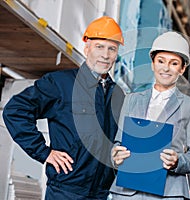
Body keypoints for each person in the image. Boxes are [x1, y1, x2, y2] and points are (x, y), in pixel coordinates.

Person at [2, 16, 125, 200]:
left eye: (112, 49)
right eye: (99, 46)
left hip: (100, 193)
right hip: (65, 192)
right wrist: (44, 152)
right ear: (87, 47)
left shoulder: (118, 94)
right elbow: (15, 110)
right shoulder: (61, 84)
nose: (105, 55)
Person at [109, 31, 190, 200]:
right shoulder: (131, 100)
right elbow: (119, 142)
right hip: (127, 192)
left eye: (174, 63)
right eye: (161, 61)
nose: (166, 68)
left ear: (182, 69)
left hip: (168, 193)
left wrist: (177, 161)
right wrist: (115, 156)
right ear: (153, 63)